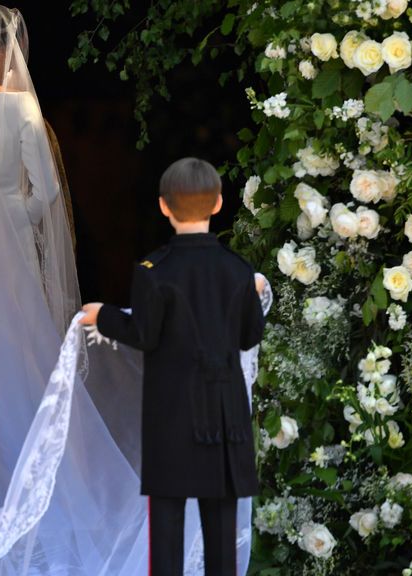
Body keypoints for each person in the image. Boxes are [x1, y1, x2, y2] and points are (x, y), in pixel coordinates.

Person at [80, 158, 266, 576]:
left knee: (166, 529)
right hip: (225, 418)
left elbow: (144, 333)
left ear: (164, 207)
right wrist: (251, 293)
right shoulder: (239, 270)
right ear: (218, 204)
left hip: (173, 418)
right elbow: (249, 336)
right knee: (220, 526)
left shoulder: (154, 270)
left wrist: (103, 315)